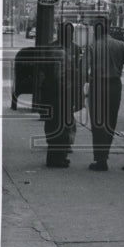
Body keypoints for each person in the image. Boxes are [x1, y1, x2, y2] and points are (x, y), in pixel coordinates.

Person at [86, 28, 124, 171]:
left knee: (98, 123)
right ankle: (104, 155)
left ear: (97, 31)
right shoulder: (120, 45)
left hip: (98, 86)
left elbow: (83, 69)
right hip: (114, 86)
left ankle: (101, 160)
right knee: (110, 122)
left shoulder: (92, 46)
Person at [40, 26, 84, 168]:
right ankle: (56, 159)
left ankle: (59, 156)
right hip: (60, 93)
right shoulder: (59, 52)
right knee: (60, 126)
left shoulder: (53, 49)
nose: (71, 37)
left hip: (53, 92)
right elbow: (59, 77)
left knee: (58, 124)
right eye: (69, 34)